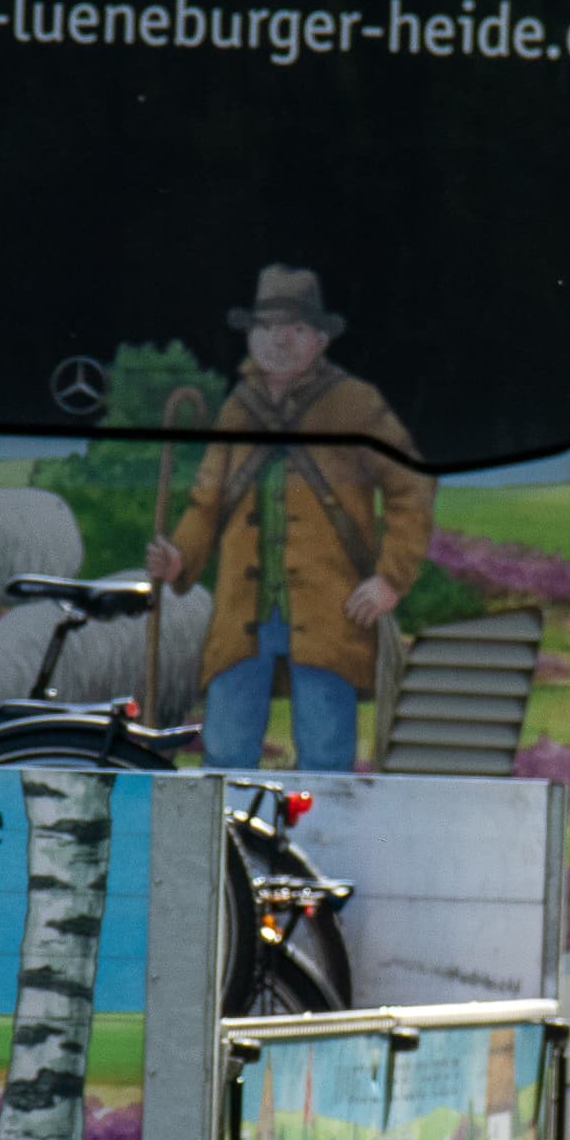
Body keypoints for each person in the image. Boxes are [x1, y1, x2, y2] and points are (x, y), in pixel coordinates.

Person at [146, 266, 434, 771]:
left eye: (295, 330)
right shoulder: (238, 409)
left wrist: (390, 577)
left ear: (319, 340)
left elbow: (412, 484)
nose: (280, 340)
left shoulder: (355, 404)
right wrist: (180, 558)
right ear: (251, 335)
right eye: (267, 328)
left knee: (325, 752)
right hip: (244, 612)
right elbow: (206, 504)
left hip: (330, 608)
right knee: (227, 747)